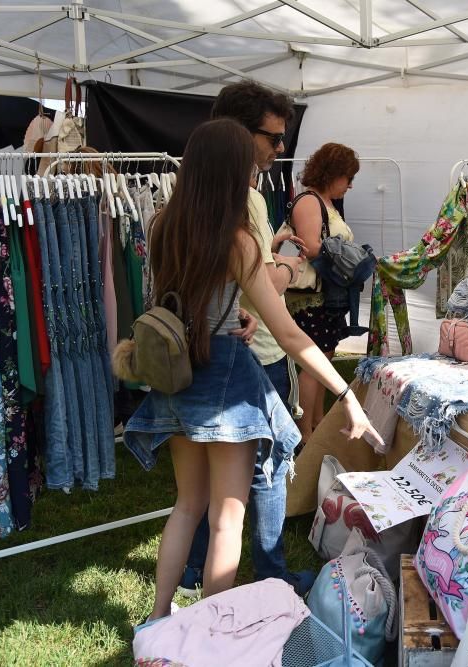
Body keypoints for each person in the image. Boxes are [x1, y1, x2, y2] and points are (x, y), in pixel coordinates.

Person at [118, 118, 384, 623]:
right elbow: (287, 333)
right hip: (224, 383)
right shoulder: (237, 241)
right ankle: (209, 630)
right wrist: (345, 394)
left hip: (179, 374)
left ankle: (158, 620)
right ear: (233, 172)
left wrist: (227, 313)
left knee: (187, 505)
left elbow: (177, 298)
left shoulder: (162, 224)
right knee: (227, 517)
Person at [174, 81, 315, 598]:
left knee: (196, 500)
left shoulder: (172, 215)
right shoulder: (243, 206)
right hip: (241, 364)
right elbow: (277, 315)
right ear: (238, 137)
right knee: (247, 494)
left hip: (194, 363)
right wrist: (286, 266)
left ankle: (172, 606)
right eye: (273, 139)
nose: (279, 150)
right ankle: (241, 598)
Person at [287, 143, 360, 442]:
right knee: (312, 363)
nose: (351, 185)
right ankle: (305, 433)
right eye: (348, 177)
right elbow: (311, 246)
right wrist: (350, 255)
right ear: (333, 174)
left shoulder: (324, 202)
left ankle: (314, 424)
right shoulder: (309, 201)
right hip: (311, 295)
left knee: (323, 359)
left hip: (325, 293)